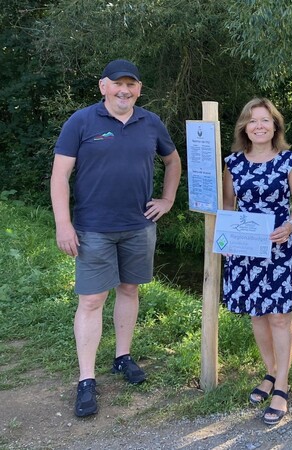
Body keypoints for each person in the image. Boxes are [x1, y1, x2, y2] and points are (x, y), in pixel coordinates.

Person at [50, 59, 181, 417]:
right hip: (93, 227)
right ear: (103, 86)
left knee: (129, 289)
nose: (125, 91)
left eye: (132, 85)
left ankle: (122, 357)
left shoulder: (150, 122)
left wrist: (167, 200)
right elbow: (60, 176)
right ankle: (86, 379)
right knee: (92, 300)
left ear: (139, 89)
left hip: (138, 226)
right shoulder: (81, 121)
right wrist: (64, 224)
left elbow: (172, 161)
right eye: (118, 84)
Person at [221, 98, 292, 426]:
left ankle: (282, 386)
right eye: (252, 120)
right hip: (246, 251)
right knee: (257, 317)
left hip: (280, 248)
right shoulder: (233, 163)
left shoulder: (290, 161)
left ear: (275, 126)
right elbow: (229, 206)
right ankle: (271, 373)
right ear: (244, 126)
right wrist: (226, 240)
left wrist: (290, 225)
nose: (259, 125)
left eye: (265, 120)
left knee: (279, 319)